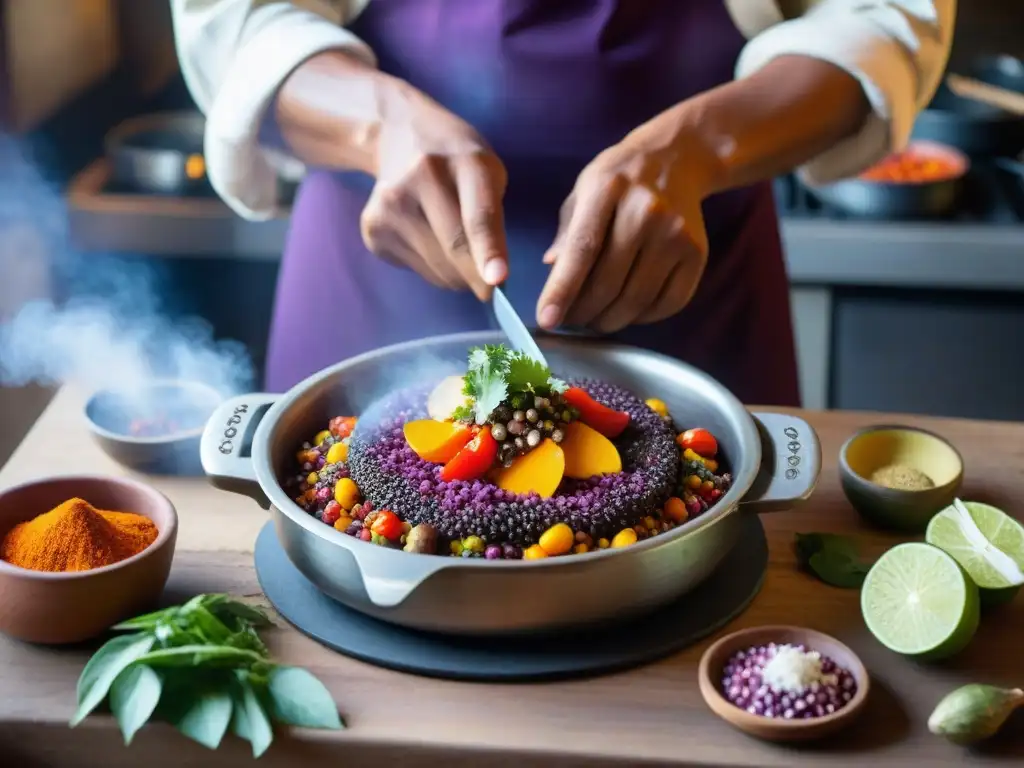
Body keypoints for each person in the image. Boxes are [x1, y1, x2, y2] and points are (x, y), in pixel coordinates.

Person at [171, 0, 955, 404]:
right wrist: (378, 124)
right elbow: (233, 21)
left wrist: (704, 145)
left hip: (692, 298)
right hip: (375, 284)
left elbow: (884, 17)